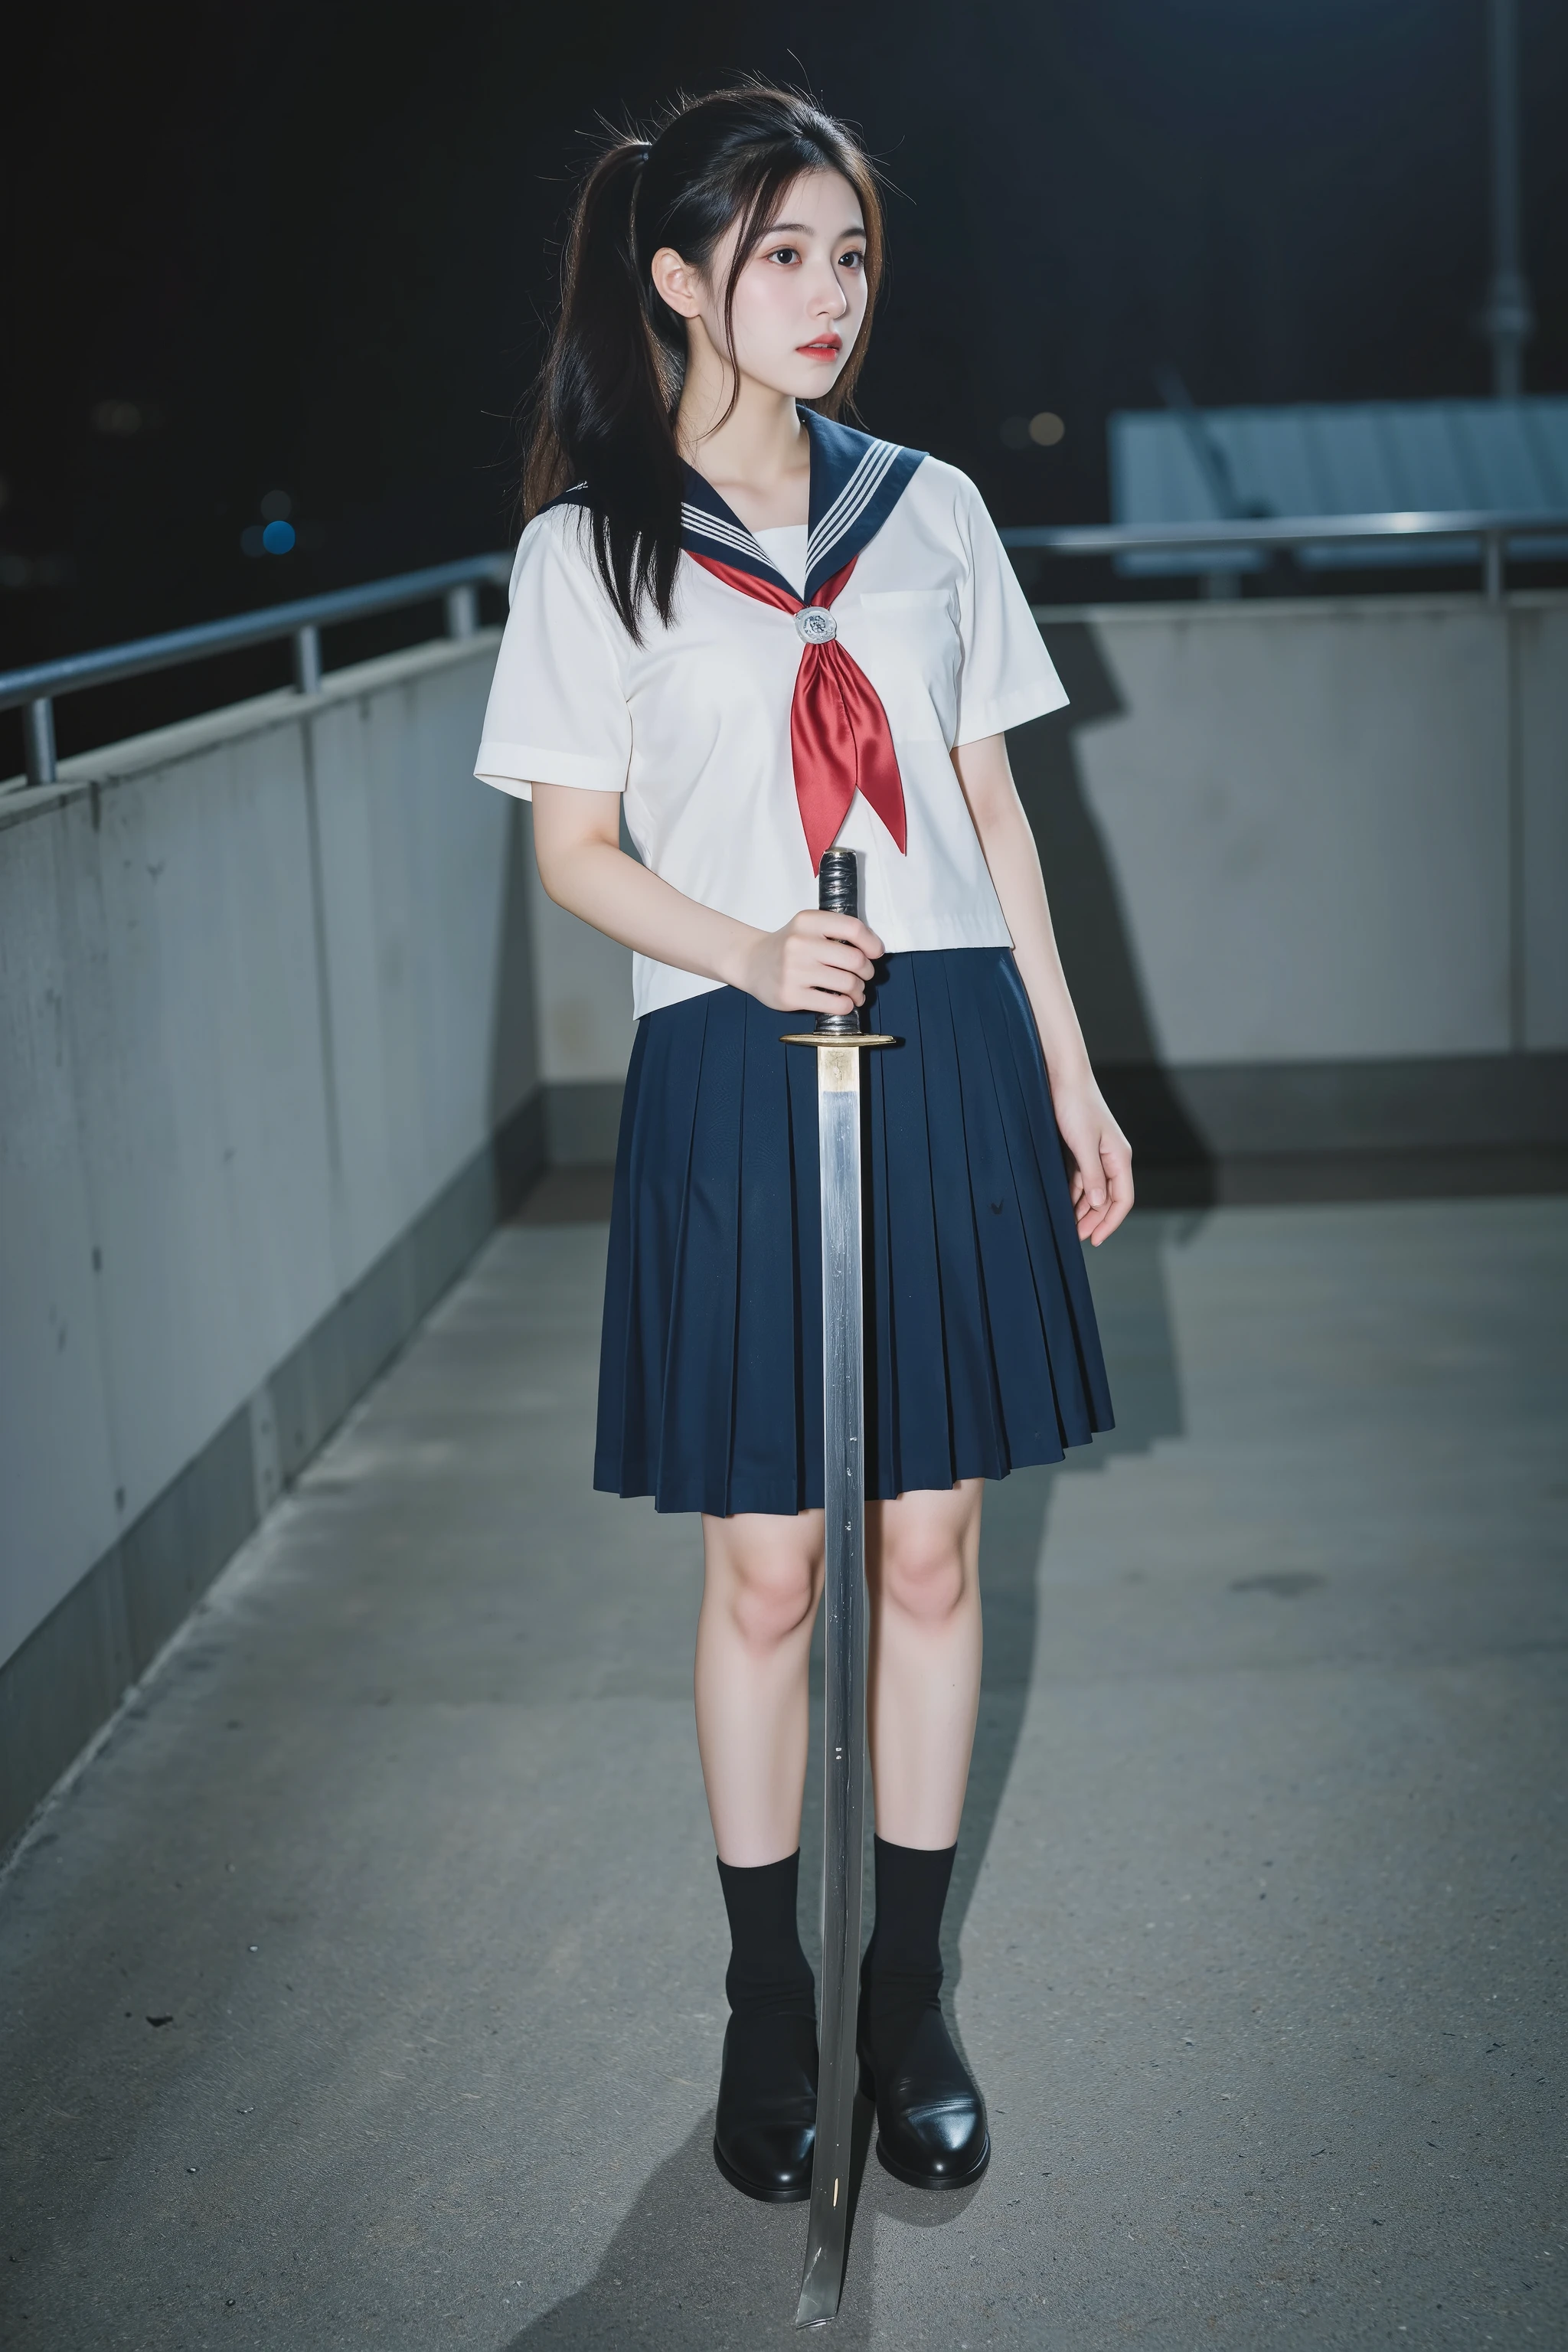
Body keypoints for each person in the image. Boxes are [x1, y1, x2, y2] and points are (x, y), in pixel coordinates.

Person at [475, 84, 1131, 2203]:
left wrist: (1068, 1065)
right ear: (679, 280)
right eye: (780, 255)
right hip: (735, 1054)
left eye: (849, 254)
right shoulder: (593, 545)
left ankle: (907, 1989)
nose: (827, 294)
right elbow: (574, 849)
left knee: (930, 1546)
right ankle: (771, 1990)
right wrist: (752, 948)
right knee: (768, 1573)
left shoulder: (931, 511)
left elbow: (996, 812)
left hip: (941, 1032)